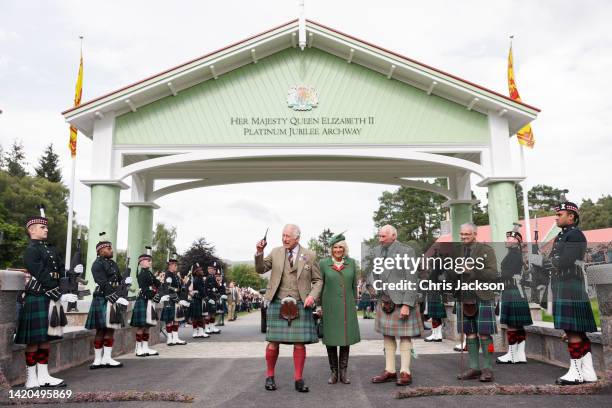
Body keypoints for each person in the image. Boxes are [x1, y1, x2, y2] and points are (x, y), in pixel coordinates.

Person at [15, 207, 78, 388]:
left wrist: (71, 274)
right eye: (42, 227)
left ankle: (44, 376)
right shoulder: (31, 250)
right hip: (38, 297)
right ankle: (31, 378)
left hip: (50, 297)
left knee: (46, 339)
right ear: (31, 230)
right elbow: (41, 274)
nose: (46, 230)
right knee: (34, 341)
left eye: (46, 228)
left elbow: (60, 271)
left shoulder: (51, 249)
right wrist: (59, 293)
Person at [255, 224, 322, 393]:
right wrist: (259, 252)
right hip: (278, 301)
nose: (284, 239)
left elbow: (318, 280)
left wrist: (312, 296)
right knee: (273, 342)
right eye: (283, 235)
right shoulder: (276, 252)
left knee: (299, 343)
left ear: (297, 238)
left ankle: (298, 379)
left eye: (288, 236)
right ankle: (270, 376)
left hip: (301, 302)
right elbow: (260, 269)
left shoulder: (310, 255)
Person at [367, 225, 421, 386]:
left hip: (401, 300)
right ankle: (390, 370)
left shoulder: (406, 251)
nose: (380, 239)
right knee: (387, 335)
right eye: (379, 236)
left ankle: (406, 372)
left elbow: (412, 279)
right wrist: (371, 286)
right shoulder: (376, 251)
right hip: (385, 300)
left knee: (405, 336)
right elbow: (373, 273)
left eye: (383, 236)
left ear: (393, 236)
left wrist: (406, 304)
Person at [551, 201, 598, 385]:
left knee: (573, 331)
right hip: (565, 284)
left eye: (559, 214)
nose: (556, 217)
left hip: (571, 283)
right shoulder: (562, 236)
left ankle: (576, 373)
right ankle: (588, 372)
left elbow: (565, 260)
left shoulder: (575, 234)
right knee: (575, 330)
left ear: (571, 216)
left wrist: (548, 262)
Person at [449, 223, 498, 382]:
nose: (463, 237)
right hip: (464, 296)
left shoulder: (486, 250)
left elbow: (492, 274)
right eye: (462, 234)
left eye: (467, 234)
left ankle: (488, 369)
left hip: (482, 295)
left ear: (475, 234)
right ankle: (474, 367)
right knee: (469, 334)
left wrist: (472, 270)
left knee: (484, 334)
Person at [319, 233, 360, 385]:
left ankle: (343, 372)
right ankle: (334, 372)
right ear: (331, 249)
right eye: (335, 247)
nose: (337, 250)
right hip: (329, 307)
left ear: (344, 249)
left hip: (346, 307)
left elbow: (354, 285)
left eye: (340, 247)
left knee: (345, 339)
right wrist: (318, 305)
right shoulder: (323, 263)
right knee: (330, 340)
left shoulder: (352, 263)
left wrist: (354, 303)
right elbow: (319, 285)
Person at [84, 233, 127, 369]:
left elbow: (118, 279)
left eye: (111, 248)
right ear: (101, 250)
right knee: (101, 330)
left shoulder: (113, 263)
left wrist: (125, 281)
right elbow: (102, 282)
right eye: (108, 249)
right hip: (102, 297)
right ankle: (97, 359)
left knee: (111, 328)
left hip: (113, 296)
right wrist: (115, 297)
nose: (111, 250)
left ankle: (107, 358)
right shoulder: (96, 264)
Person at [497, 225, 532, 364]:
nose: (507, 240)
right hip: (517, 290)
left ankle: (512, 355)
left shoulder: (513, 255)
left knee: (512, 323)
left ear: (517, 241)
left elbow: (507, 274)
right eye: (507, 237)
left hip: (511, 289)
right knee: (518, 324)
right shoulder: (515, 254)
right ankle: (520, 354)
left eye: (510, 238)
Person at [129, 247, 161, 356]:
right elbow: (146, 289)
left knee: (147, 325)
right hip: (144, 299)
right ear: (142, 262)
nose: (150, 262)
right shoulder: (142, 274)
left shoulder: (149, 273)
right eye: (148, 261)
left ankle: (145, 347)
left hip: (149, 300)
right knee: (141, 326)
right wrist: (155, 295)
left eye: (150, 260)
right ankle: (138, 349)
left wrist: (162, 288)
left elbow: (157, 284)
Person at [160, 254, 189, 345]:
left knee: (176, 319)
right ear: (170, 265)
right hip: (170, 300)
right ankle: (169, 339)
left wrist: (182, 298)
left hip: (176, 300)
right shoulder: (168, 275)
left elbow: (180, 288)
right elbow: (169, 288)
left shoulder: (176, 276)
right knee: (169, 320)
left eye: (176, 265)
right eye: (175, 265)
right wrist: (177, 298)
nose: (176, 267)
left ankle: (175, 338)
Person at [423, 249, 447, 342]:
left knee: (435, 316)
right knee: (436, 316)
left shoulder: (435, 271)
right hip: (436, 294)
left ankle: (437, 335)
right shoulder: (439, 271)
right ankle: (436, 334)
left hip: (434, 294)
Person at [189, 263, 209, 338]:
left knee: (200, 316)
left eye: (201, 269)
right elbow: (201, 290)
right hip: (197, 299)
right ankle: (195, 332)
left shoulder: (199, 279)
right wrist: (206, 297)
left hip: (199, 299)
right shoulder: (197, 279)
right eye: (200, 270)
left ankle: (200, 332)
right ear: (197, 272)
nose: (202, 271)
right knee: (196, 317)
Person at [204, 263, 222, 334]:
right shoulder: (207, 278)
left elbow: (217, 288)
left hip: (213, 297)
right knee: (208, 313)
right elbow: (205, 289)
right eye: (211, 269)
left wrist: (219, 282)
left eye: (213, 269)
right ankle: (206, 327)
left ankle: (212, 327)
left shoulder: (213, 277)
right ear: (208, 270)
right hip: (209, 297)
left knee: (213, 313)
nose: (212, 270)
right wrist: (207, 298)